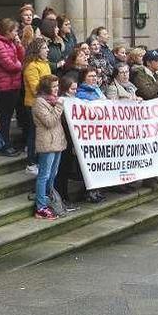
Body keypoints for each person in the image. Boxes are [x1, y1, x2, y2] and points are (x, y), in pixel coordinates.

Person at [0, 18, 25, 157]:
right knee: (5, 117)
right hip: (5, 85)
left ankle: (7, 142)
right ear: (7, 31)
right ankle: (3, 144)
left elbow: (21, 58)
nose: (16, 34)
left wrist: (19, 46)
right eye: (15, 31)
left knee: (9, 115)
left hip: (13, 83)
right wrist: (19, 66)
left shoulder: (10, 43)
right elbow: (9, 65)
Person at [32, 75, 65, 221]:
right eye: (54, 86)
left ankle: (48, 199)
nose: (57, 89)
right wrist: (59, 106)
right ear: (46, 88)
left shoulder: (54, 101)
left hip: (57, 141)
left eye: (58, 86)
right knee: (44, 174)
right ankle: (40, 206)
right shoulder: (39, 102)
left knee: (53, 173)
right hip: (47, 142)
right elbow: (50, 121)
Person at [75, 68, 107, 204]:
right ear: (84, 78)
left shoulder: (97, 90)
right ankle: (89, 192)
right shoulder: (81, 93)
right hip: (89, 134)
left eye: (95, 76)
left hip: (101, 132)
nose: (94, 78)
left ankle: (96, 190)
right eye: (91, 76)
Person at [22, 38, 51, 175]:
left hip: (46, 103)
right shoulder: (32, 66)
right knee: (34, 134)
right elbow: (35, 88)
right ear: (37, 50)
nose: (47, 50)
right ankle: (31, 162)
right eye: (45, 48)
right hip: (34, 104)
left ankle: (38, 160)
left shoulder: (45, 64)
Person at [54, 76, 82, 204]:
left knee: (65, 169)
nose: (74, 91)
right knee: (62, 170)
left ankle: (64, 196)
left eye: (76, 88)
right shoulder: (62, 101)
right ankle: (61, 195)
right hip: (64, 140)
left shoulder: (74, 100)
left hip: (71, 140)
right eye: (72, 89)